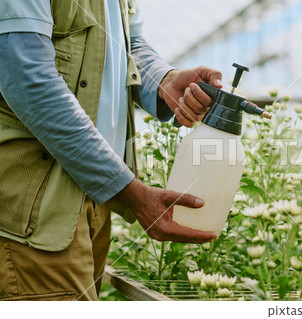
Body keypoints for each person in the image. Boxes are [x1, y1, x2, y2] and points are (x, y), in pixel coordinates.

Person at [0, 0, 221, 300]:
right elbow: (29, 80)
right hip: (39, 205)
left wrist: (165, 80)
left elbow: (128, 44)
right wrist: (132, 192)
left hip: (97, 195)